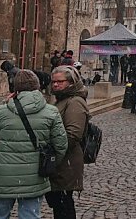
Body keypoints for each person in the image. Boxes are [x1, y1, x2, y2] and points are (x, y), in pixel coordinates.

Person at [0, 70, 68, 219]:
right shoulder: (51, 112)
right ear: (37, 87)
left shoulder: (3, 110)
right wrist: (47, 166)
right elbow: (61, 146)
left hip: (3, 177)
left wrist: (3, 104)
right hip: (34, 177)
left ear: (15, 90)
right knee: (30, 216)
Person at [47, 66, 90, 219]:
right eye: (53, 82)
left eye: (60, 81)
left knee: (64, 204)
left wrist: (54, 153)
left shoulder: (75, 102)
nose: (55, 85)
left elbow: (73, 135)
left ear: (71, 82)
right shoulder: (62, 99)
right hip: (60, 162)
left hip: (67, 163)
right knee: (58, 203)